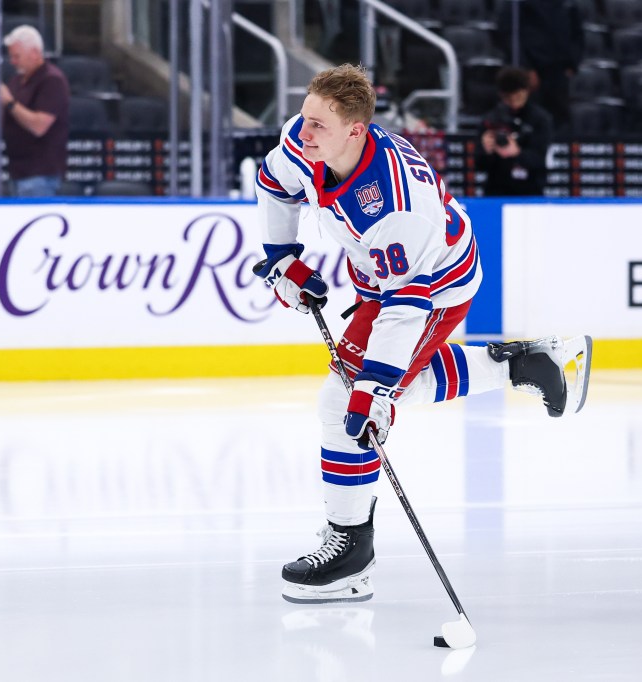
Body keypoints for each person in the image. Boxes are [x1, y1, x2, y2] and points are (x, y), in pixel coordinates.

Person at [254, 64, 592, 604]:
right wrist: (282, 258)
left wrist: (375, 389)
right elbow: (273, 182)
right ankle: (521, 364)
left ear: (354, 132)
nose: (302, 131)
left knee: (347, 401)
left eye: (317, 124)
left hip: (433, 287)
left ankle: (350, 553)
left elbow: (403, 309)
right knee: (365, 396)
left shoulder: (398, 205)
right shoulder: (307, 139)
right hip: (381, 280)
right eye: (305, 117)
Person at [0, 25, 70, 197]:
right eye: (11, 57)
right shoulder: (17, 81)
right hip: (17, 170)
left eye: (17, 56)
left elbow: (39, 126)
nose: (13, 62)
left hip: (40, 174)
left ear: (35, 53)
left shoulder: (52, 80)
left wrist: (8, 102)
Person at [498, 0, 584, 130]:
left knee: (560, 119)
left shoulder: (568, 4)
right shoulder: (517, 4)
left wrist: (572, 63)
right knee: (530, 117)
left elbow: (577, 33)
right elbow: (509, 35)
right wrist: (526, 69)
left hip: (558, 71)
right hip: (530, 69)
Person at [476, 66, 553, 196]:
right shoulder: (490, 120)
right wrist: (486, 151)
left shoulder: (540, 119)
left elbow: (541, 159)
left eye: (518, 96)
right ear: (502, 95)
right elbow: (479, 165)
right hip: (497, 189)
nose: (513, 102)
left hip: (531, 190)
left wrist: (517, 153)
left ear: (526, 91)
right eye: (508, 97)